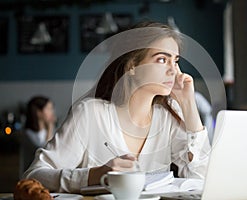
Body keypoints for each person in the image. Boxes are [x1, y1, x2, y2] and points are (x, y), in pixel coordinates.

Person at [23, 21, 211, 193]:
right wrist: (94, 175)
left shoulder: (168, 116)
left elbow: (203, 178)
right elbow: (33, 176)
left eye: (175, 61)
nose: (174, 70)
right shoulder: (90, 114)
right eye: (162, 59)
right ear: (132, 66)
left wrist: (188, 104)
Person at [21, 96, 56, 173]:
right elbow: (44, 151)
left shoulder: (50, 130)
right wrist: (50, 128)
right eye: (48, 109)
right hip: (32, 174)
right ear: (38, 112)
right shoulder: (28, 134)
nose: (52, 112)